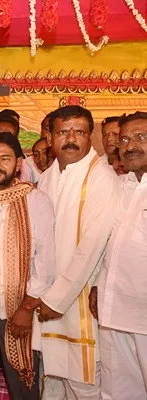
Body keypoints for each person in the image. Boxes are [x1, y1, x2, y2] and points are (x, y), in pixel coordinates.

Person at [37, 105, 120, 399]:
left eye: (79, 132)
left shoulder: (102, 179)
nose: (71, 139)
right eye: (63, 132)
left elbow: (92, 246)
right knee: (53, 382)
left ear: (90, 136)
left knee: (84, 386)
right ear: (50, 136)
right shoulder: (48, 176)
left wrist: (56, 298)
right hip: (46, 300)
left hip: (79, 301)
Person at [0, 132, 56, 400]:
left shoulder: (36, 200)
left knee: (23, 388)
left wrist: (26, 309)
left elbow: (46, 262)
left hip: (19, 311)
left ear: (18, 163)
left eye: (4, 158)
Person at [92, 111, 147, 400]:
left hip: (144, 317)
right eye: (125, 139)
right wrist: (98, 285)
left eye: (141, 137)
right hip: (113, 314)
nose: (130, 145)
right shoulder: (120, 186)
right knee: (116, 393)